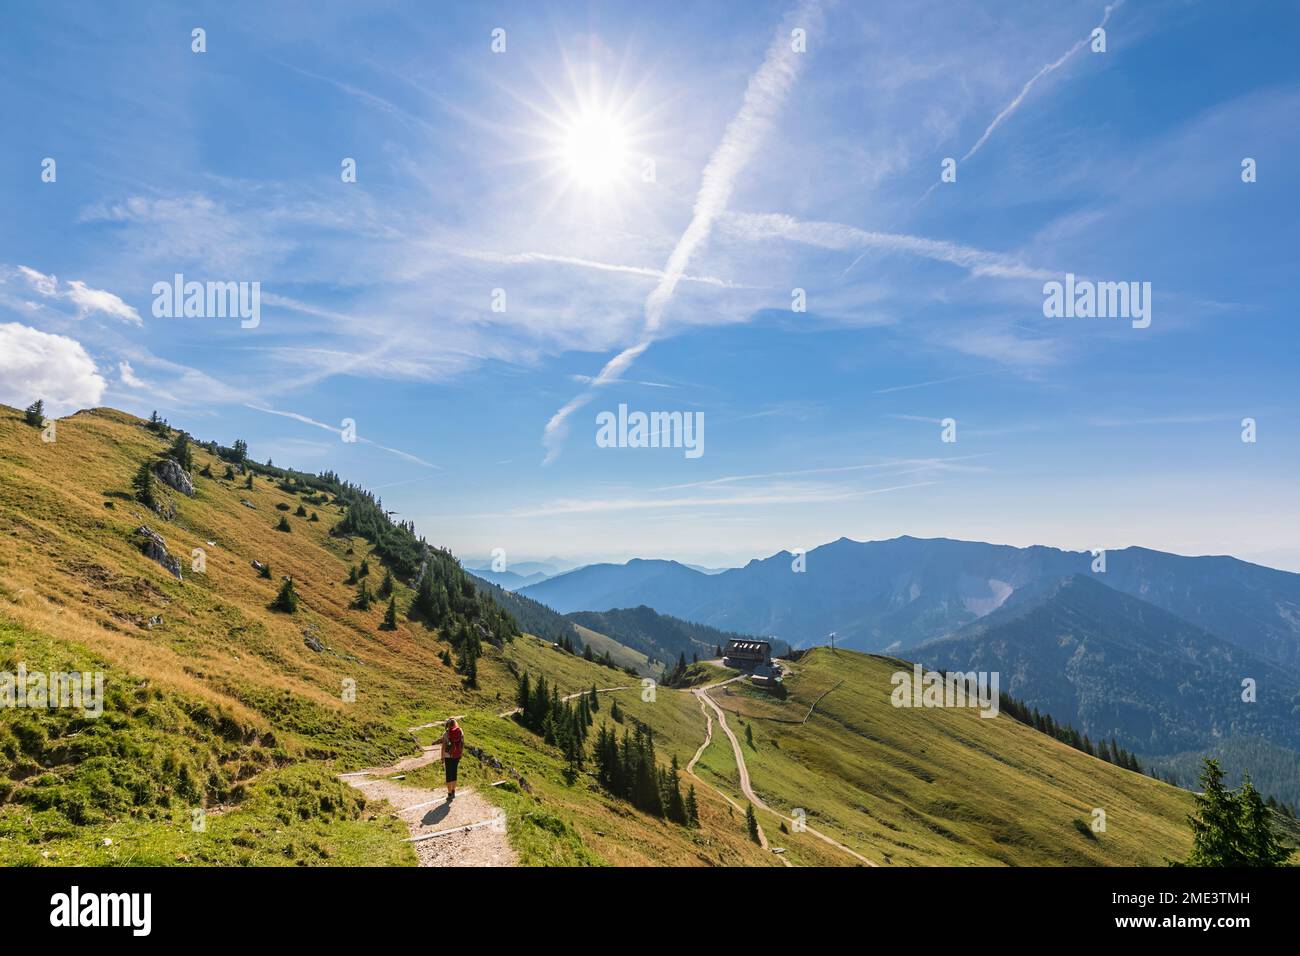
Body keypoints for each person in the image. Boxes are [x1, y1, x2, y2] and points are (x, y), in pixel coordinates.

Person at [439, 718, 464, 802]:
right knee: (454, 773)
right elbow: (462, 743)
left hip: (448, 756)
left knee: (448, 774)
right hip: (456, 755)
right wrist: (460, 753)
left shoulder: (446, 734)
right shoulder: (460, 731)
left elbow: (443, 746)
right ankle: (453, 791)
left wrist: (442, 757)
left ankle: (449, 793)